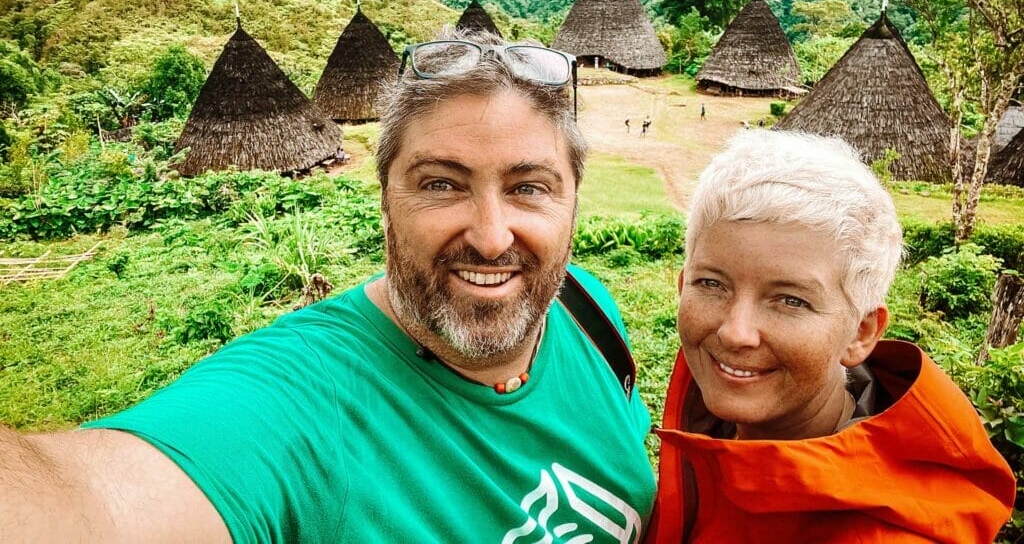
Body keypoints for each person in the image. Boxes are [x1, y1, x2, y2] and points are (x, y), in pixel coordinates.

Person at [0, 32, 656, 542]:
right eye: (440, 183)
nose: (490, 235)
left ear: (573, 202)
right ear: (385, 200)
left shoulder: (589, 310)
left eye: (528, 187)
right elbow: (92, 504)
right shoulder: (309, 402)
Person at [648, 130, 1016, 543]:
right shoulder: (713, 422)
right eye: (712, 284)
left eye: (791, 301)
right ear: (683, 285)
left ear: (860, 334)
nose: (736, 332)